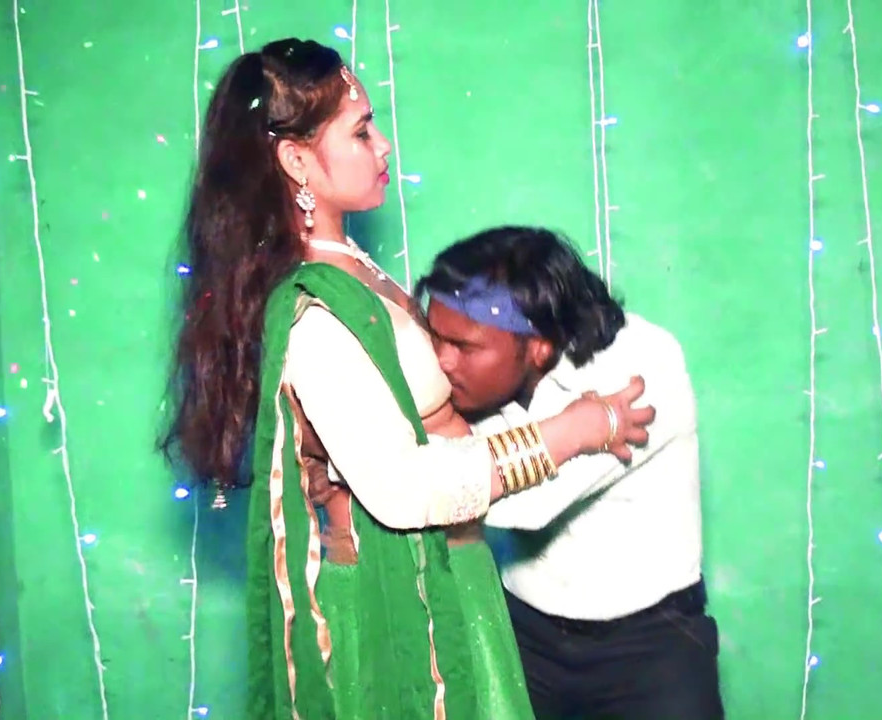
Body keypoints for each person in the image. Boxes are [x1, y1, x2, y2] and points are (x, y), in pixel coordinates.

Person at [159, 40, 654, 720]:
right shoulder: (315, 315)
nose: (384, 144)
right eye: (361, 131)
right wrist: (571, 433)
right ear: (296, 160)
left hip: (449, 582)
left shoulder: (356, 271)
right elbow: (403, 490)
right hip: (393, 617)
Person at [416, 226, 724, 720]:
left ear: (537, 346)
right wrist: (576, 429)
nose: (441, 362)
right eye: (434, 338)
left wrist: (419, 443)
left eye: (463, 346)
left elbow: (525, 502)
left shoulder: (641, 366)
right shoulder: (478, 383)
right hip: (525, 632)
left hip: (650, 643)